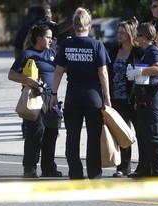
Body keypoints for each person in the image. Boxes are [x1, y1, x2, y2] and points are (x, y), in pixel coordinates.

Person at [50, 7, 111, 180]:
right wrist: (107, 97)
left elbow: (59, 71)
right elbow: (103, 73)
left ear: (74, 26)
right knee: (93, 136)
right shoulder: (97, 45)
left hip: (73, 94)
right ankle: (94, 172)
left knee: (72, 135)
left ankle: (75, 172)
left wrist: (54, 93)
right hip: (93, 95)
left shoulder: (67, 45)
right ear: (89, 26)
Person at [8, 24, 62, 178]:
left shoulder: (52, 53)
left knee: (52, 132)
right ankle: (30, 168)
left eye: (51, 38)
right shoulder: (27, 54)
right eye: (48, 37)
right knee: (36, 132)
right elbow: (11, 74)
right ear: (39, 38)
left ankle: (48, 167)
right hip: (35, 98)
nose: (50, 40)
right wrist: (28, 80)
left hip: (52, 98)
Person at [13, 4, 72, 138]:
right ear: (47, 15)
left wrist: (22, 66)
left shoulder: (26, 28)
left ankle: (27, 131)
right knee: (39, 130)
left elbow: (16, 47)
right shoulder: (48, 28)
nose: (50, 40)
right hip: (40, 89)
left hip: (42, 88)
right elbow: (66, 26)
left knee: (31, 106)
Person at [126, 22, 158, 178]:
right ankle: (144, 169)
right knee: (143, 134)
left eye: (138, 35)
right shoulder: (146, 51)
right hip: (145, 95)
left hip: (154, 96)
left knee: (153, 134)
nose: (136, 38)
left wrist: (140, 71)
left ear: (144, 37)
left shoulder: (153, 50)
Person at [107, 20, 144, 177]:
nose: (119, 35)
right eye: (118, 32)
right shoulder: (114, 50)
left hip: (133, 99)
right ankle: (123, 167)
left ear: (130, 34)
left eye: (122, 32)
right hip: (116, 99)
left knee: (141, 133)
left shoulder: (138, 51)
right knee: (121, 133)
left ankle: (143, 166)